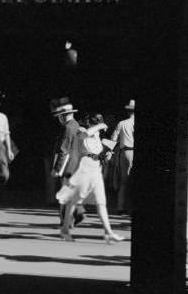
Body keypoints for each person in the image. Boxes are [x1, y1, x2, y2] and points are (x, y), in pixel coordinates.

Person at [56, 113, 124, 243]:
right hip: (84, 167)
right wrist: (99, 127)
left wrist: (106, 153)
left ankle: (108, 232)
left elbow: (96, 150)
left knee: (101, 201)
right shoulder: (82, 130)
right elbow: (84, 136)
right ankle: (65, 228)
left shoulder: (97, 134)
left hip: (95, 167)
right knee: (74, 200)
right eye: (97, 122)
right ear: (92, 122)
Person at [51, 98, 84, 227]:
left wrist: (57, 169)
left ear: (63, 116)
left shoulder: (67, 128)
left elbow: (63, 150)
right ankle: (74, 214)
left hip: (68, 165)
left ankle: (66, 220)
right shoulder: (77, 126)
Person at [109, 99, 135, 213]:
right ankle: (130, 207)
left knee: (123, 181)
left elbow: (113, 138)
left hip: (124, 152)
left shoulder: (122, 123)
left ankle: (120, 207)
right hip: (133, 152)